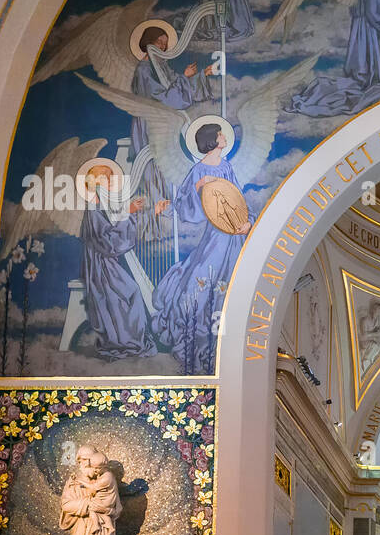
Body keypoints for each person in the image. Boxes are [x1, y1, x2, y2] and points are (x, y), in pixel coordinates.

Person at [152, 122, 251, 372]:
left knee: (229, 283)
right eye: (219, 133)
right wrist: (198, 187)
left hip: (234, 234)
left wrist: (247, 222)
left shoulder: (227, 167)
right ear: (212, 139)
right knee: (201, 280)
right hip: (216, 235)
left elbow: (238, 198)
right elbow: (187, 207)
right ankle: (192, 344)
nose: (223, 136)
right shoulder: (198, 170)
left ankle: (220, 345)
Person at [130, 25, 214, 212]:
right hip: (151, 125)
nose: (162, 46)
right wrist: (184, 78)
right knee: (156, 166)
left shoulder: (161, 67)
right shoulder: (144, 70)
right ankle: (160, 206)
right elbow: (161, 98)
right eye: (159, 41)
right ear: (148, 42)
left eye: (165, 43)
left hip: (166, 124)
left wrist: (201, 76)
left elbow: (175, 85)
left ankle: (172, 204)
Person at [78, 165, 157, 359]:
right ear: (96, 183)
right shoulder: (93, 209)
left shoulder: (101, 206)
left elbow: (116, 230)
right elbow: (109, 243)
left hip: (107, 264)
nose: (113, 183)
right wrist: (128, 212)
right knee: (130, 292)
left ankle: (130, 340)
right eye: (108, 179)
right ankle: (124, 343)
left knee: (131, 292)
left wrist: (147, 211)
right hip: (100, 267)